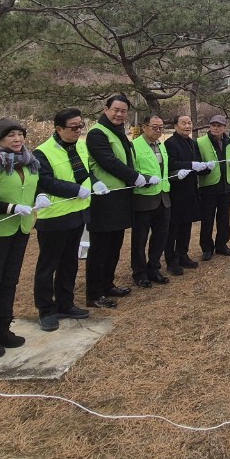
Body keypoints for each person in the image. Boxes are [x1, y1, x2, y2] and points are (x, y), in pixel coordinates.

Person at [0, 117, 63, 359]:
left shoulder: (29, 162)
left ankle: (2, 328)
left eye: (20, 134)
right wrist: (10, 208)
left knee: (10, 281)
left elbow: (35, 185)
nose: (17, 139)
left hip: (20, 229)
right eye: (11, 135)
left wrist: (41, 196)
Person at [32, 108, 99, 331]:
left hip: (78, 213)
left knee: (69, 262)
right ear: (59, 129)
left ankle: (65, 303)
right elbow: (45, 181)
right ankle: (45, 309)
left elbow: (86, 171)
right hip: (54, 217)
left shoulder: (80, 145)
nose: (78, 130)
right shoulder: (42, 152)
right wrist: (75, 190)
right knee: (48, 265)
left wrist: (95, 182)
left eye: (81, 126)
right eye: (73, 127)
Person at [84, 94, 143, 307]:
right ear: (106, 109)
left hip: (120, 196)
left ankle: (107, 284)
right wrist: (134, 176)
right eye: (115, 110)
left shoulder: (118, 132)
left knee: (114, 245)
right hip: (104, 198)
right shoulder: (97, 133)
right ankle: (94, 294)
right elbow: (108, 161)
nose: (119, 114)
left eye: (123, 111)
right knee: (100, 247)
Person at [129, 115, 172, 284]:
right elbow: (131, 171)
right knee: (140, 239)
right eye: (154, 127)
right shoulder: (134, 146)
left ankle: (154, 268)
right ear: (144, 127)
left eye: (161, 127)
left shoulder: (161, 145)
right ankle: (139, 273)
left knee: (160, 237)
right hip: (144, 199)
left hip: (163, 198)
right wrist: (145, 179)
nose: (158, 130)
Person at [162, 114, 204, 272]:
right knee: (174, 227)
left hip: (191, 189)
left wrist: (205, 166)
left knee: (187, 224)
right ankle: (171, 259)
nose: (187, 126)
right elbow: (171, 163)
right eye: (183, 123)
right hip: (176, 191)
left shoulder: (192, 143)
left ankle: (182, 254)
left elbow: (198, 161)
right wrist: (191, 165)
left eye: (189, 123)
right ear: (175, 126)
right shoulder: (170, 143)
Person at [196, 115, 230, 257]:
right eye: (213, 125)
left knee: (224, 218)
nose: (215, 128)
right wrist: (205, 168)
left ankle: (222, 245)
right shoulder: (200, 142)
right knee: (207, 219)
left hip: (226, 185)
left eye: (219, 126)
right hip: (209, 186)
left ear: (224, 127)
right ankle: (207, 248)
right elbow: (197, 164)